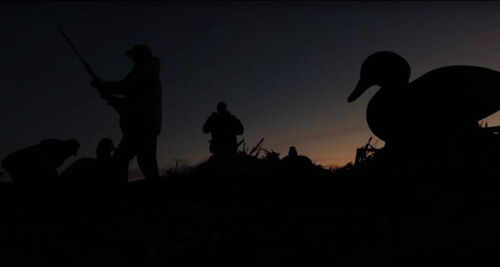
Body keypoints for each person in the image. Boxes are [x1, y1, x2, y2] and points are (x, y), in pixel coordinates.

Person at [91, 44, 162, 184]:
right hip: (144, 124)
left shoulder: (145, 71)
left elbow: (128, 89)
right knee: (146, 162)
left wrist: (104, 87)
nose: (132, 59)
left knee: (121, 160)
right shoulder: (143, 71)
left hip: (141, 124)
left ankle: (121, 195)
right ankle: (158, 197)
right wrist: (113, 97)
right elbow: (131, 94)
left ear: (141, 55)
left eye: (134, 56)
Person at [1, 139, 79, 207]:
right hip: (16, 163)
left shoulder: (58, 151)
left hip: (16, 163)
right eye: (71, 152)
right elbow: (46, 167)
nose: (70, 155)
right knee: (30, 186)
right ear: (69, 147)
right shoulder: (55, 148)